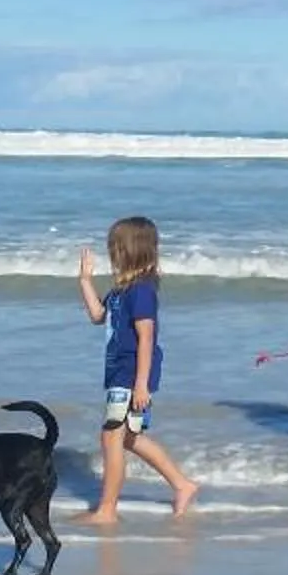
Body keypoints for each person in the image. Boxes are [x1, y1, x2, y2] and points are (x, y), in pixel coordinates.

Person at [70, 216, 199, 525]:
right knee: (128, 437)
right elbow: (98, 316)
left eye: (114, 248)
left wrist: (141, 384)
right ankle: (183, 485)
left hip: (131, 374)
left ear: (128, 251)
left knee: (111, 437)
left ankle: (107, 510)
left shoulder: (141, 291)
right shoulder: (121, 290)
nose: (111, 254)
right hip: (119, 372)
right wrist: (85, 282)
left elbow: (147, 337)